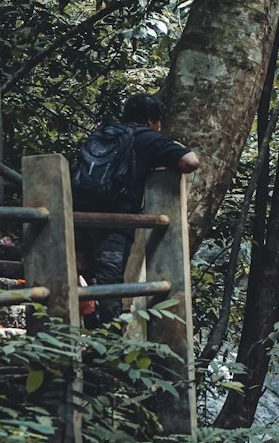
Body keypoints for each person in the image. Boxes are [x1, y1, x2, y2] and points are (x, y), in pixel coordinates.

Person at [73, 92, 199, 326]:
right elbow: (190, 162)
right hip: (116, 224)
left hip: (80, 218)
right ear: (151, 120)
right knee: (110, 285)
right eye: (158, 121)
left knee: (76, 277)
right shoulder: (148, 138)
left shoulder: (102, 134)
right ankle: (107, 349)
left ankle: (82, 332)